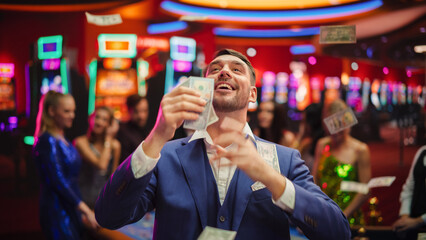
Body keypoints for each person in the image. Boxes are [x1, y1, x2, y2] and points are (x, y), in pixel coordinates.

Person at [95, 49, 351, 239]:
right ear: (203, 87)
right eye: (215, 69)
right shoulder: (166, 155)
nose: (225, 71)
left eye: (236, 70)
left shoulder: (285, 159)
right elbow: (109, 216)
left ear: (252, 94)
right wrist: (158, 135)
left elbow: (338, 232)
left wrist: (271, 178)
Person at [33, 90, 98, 239]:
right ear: (51, 111)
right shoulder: (47, 141)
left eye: (73, 111)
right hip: (56, 208)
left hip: (71, 204)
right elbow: (58, 181)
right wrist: (85, 210)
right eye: (67, 111)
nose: (72, 116)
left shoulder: (63, 139)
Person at [313, 99, 371, 226]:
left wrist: (343, 216)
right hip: (323, 214)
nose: (337, 132)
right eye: (332, 126)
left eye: (341, 126)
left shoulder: (360, 150)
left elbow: (365, 190)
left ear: (347, 123)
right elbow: (314, 180)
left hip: (349, 218)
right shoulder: (322, 144)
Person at [74, 106, 120, 209]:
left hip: (103, 199)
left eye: (105, 120)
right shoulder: (81, 142)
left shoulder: (115, 146)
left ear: (110, 124)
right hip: (83, 199)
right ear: (90, 119)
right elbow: (101, 165)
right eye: (97, 117)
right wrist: (108, 138)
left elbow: (113, 176)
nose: (99, 122)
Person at [392, 145, 426, 240]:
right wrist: (405, 218)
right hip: (413, 223)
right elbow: (409, 188)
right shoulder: (422, 151)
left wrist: (420, 221)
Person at [116, 94, 149, 163]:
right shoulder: (123, 131)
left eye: (144, 111)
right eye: (137, 111)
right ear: (129, 110)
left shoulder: (148, 129)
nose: (141, 116)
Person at [291, 103, 324, 172]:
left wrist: (300, 136)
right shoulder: (308, 143)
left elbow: (290, 160)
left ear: (311, 122)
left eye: (303, 121)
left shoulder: (317, 143)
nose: (302, 125)